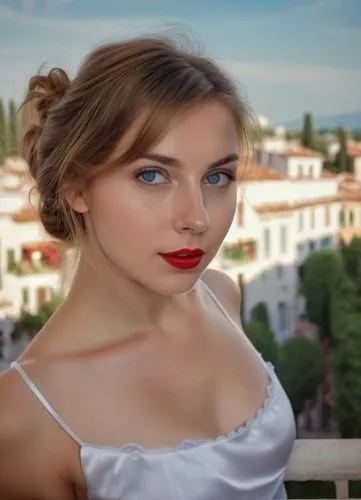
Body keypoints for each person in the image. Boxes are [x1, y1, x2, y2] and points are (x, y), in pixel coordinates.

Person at [0, 36, 296, 499]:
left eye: (217, 177)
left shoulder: (221, 294)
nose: (197, 218)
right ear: (77, 187)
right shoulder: (22, 416)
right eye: (152, 175)